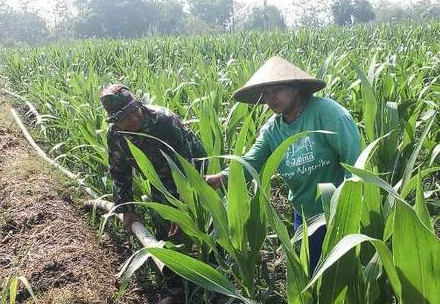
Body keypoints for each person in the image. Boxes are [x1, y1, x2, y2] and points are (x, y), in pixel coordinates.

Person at [205, 56, 361, 273]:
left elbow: (356, 165)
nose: (271, 98)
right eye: (266, 93)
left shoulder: (329, 115)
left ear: (296, 88)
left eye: (277, 89)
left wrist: (345, 212)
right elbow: (251, 162)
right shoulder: (272, 130)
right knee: (311, 277)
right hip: (304, 215)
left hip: (339, 211)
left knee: (348, 276)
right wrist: (220, 178)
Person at [101, 84, 207, 238]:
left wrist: (183, 208)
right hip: (158, 177)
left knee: (200, 224)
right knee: (164, 224)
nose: (133, 118)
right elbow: (119, 172)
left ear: (139, 105)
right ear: (114, 121)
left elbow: (187, 165)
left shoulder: (164, 121)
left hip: (194, 171)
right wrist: (126, 209)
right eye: (124, 117)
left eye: (134, 110)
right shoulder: (115, 135)